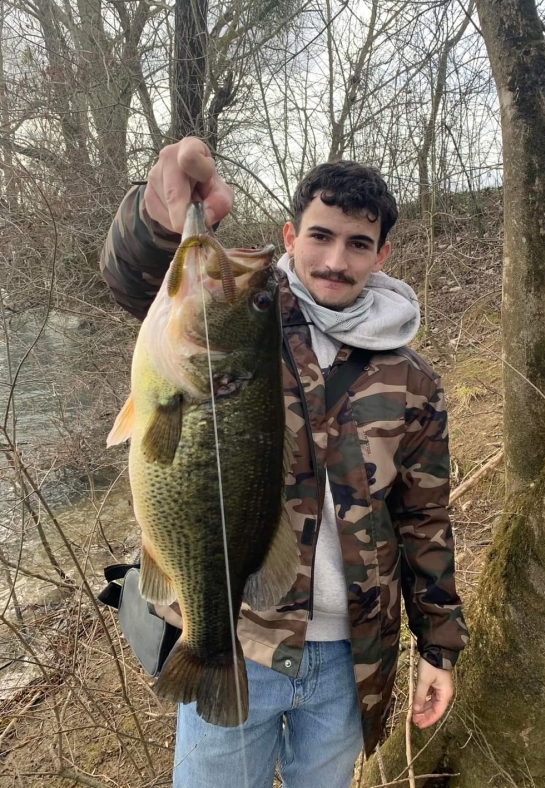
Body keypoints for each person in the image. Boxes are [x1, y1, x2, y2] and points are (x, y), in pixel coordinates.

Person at [100, 137, 469, 788]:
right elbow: (135, 279)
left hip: (355, 660)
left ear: (381, 254)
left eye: (358, 243)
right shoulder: (244, 320)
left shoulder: (413, 380)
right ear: (290, 235)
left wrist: (438, 647)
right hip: (243, 639)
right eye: (320, 236)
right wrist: (157, 216)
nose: (335, 258)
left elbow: (424, 519)